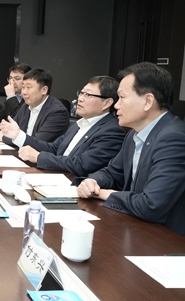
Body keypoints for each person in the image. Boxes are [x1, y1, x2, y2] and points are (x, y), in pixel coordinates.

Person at [76, 62, 185, 235]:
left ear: (148, 101)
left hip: (164, 239)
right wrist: (93, 182)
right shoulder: (134, 134)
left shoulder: (173, 138)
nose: (116, 105)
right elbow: (112, 172)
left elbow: (151, 205)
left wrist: (106, 194)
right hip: (134, 225)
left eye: (122, 97)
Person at [0, 76, 126, 176]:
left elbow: (82, 164)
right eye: (81, 93)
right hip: (56, 177)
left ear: (107, 103)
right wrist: (18, 136)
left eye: (88, 95)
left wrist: (38, 157)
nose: (80, 99)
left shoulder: (112, 130)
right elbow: (53, 148)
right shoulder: (78, 124)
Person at [0, 68, 69, 144]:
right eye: (23, 87)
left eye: (28, 87)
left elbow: (37, 142)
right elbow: (10, 131)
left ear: (44, 90)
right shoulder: (26, 106)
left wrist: (4, 138)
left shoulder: (57, 112)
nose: (24, 92)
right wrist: (4, 130)